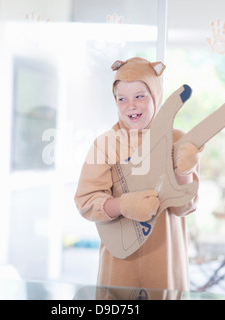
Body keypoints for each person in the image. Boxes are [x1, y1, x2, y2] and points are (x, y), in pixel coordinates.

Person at [74, 57, 202, 292]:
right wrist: (123, 205)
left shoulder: (178, 141)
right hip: (119, 266)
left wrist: (184, 171)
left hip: (165, 263)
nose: (130, 105)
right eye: (122, 98)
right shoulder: (105, 144)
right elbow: (86, 202)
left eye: (139, 96)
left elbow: (185, 207)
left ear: (156, 96)